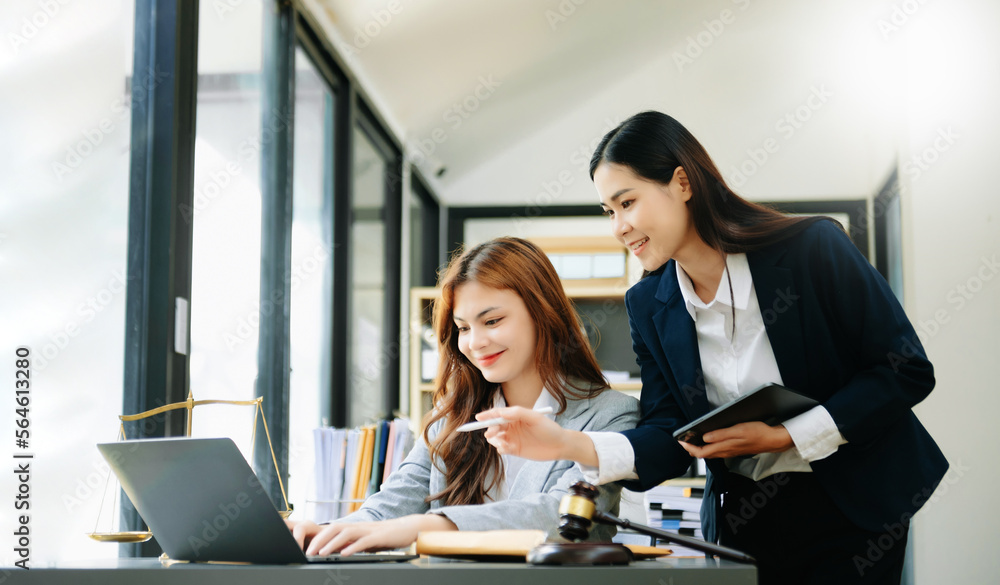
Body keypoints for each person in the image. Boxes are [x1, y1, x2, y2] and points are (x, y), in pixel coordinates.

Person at [479, 112, 948, 584]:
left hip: (852, 504)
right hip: (744, 517)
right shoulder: (648, 303)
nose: (618, 227)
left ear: (682, 182)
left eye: (627, 202)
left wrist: (786, 436)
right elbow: (669, 432)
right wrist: (565, 443)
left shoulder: (813, 249)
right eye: (608, 211)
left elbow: (904, 369)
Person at [287, 236, 640, 557]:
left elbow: (558, 518)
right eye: (463, 328)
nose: (475, 342)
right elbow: (391, 505)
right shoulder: (451, 417)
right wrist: (330, 533)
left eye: (492, 321)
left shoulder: (611, 415)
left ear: (542, 314)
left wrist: (425, 525)